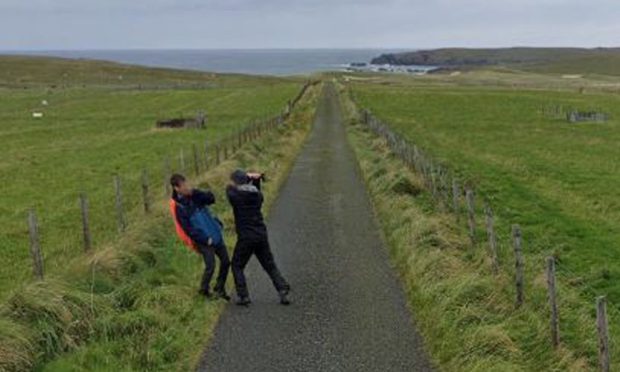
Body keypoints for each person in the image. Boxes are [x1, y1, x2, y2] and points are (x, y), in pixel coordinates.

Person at [226, 169, 290, 306]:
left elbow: (229, 190)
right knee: (269, 264)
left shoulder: (235, 196)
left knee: (237, 265)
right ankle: (282, 288)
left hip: (246, 237)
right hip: (260, 234)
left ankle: (244, 296)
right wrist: (254, 179)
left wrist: (245, 178)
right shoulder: (257, 196)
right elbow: (255, 190)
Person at [169, 174, 230, 300]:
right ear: (176, 188)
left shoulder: (194, 196)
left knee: (226, 261)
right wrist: (205, 239)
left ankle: (219, 288)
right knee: (210, 266)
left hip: (214, 232)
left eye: (187, 184)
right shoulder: (179, 207)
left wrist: (196, 193)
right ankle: (204, 291)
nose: (187, 187)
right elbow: (188, 229)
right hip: (203, 240)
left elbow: (211, 199)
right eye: (183, 185)